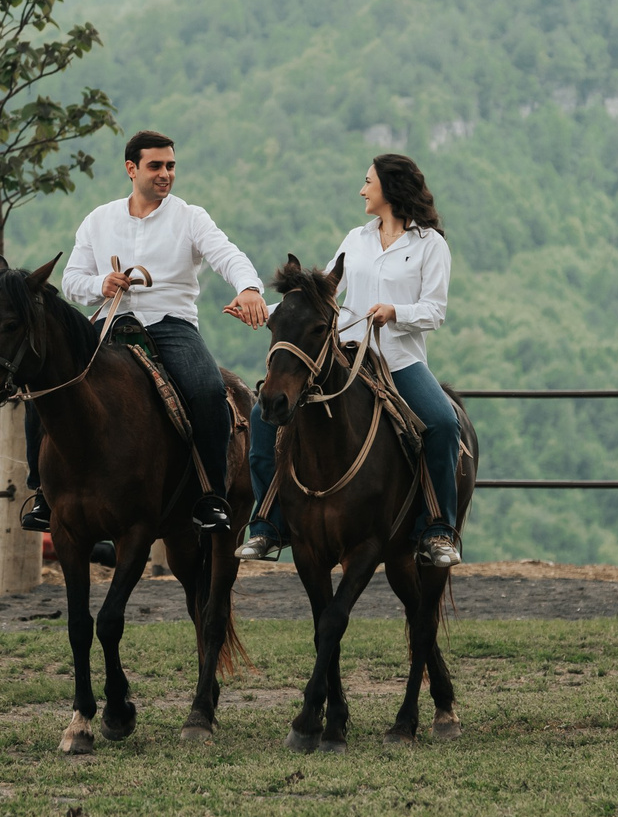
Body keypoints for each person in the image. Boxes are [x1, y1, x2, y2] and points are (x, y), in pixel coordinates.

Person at [26, 130, 268, 534]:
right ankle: (43, 495)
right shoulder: (98, 219)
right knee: (46, 388)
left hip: (170, 323)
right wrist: (100, 284)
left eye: (170, 166)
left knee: (208, 391)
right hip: (109, 323)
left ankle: (210, 496)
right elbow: (71, 281)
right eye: (155, 166)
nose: (165, 174)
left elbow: (228, 255)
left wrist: (248, 288)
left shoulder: (191, 217)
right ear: (131, 168)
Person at [240, 152, 463, 567]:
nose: (362, 189)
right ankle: (269, 525)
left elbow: (435, 310)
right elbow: (320, 298)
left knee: (445, 424)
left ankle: (437, 530)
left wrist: (395, 311)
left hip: (399, 360)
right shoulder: (355, 239)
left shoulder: (431, 245)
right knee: (260, 417)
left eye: (368, 182)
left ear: (390, 189)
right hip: (346, 356)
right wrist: (267, 312)